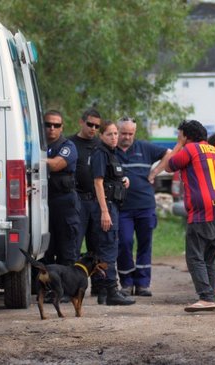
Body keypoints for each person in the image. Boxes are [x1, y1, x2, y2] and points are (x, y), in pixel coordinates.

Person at [165, 120, 215, 312]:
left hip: (203, 210)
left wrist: (179, 143)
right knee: (210, 257)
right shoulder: (212, 149)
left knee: (194, 256)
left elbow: (170, 165)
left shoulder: (190, 149)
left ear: (186, 135)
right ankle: (209, 296)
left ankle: (205, 297)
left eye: (181, 135)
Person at [115, 116, 170, 297]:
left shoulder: (144, 148)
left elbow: (169, 153)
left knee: (145, 244)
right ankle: (126, 282)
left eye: (131, 133)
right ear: (117, 131)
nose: (127, 137)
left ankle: (143, 284)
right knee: (124, 243)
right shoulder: (111, 150)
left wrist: (155, 171)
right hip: (122, 208)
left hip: (145, 205)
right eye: (124, 133)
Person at [90, 120, 135, 306]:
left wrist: (123, 181)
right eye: (110, 134)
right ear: (101, 136)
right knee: (109, 248)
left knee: (107, 248)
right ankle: (111, 291)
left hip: (112, 205)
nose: (114, 137)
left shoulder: (111, 154)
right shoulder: (101, 153)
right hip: (106, 206)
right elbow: (98, 182)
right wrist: (104, 211)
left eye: (116, 133)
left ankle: (102, 291)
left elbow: (110, 178)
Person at [44, 110, 80, 267]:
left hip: (64, 203)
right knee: (44, 250)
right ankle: (43, 289)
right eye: (48, 124)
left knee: (66, 250)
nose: (52, 128)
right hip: (43, 203)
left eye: (56, 125)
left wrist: (34, 159)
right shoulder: (36, 144)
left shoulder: (67, 146)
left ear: (61, 127)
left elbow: (57, 165)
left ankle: (66, 289)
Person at [68, 108, 102, 260]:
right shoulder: (70, 143)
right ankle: (71, 281)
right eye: (90, 124)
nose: (93, 128)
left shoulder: (101, 145)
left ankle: (99, 283)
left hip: (97, 201)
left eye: (97, 126)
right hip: (78, 201)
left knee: (97, 247)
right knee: (73, 244)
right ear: (81, 122)